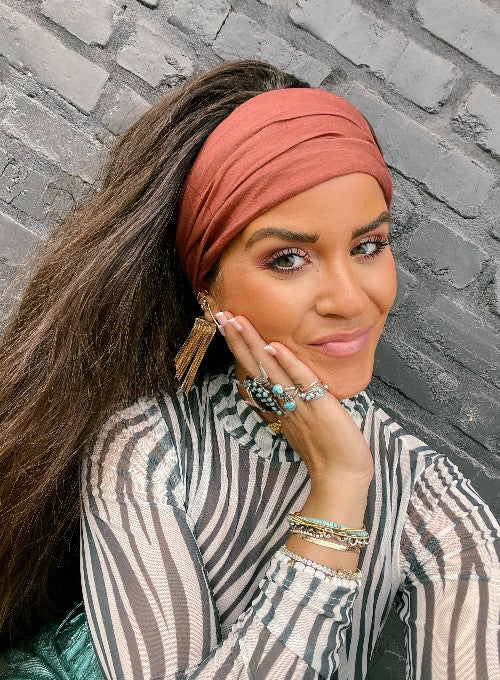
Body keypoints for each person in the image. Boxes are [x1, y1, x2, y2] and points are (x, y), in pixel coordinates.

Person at [0, 59, 497, 680]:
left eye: (368, 246)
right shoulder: (148, 446)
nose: (351, 299)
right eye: (288, 259)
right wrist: (339, 487)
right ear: (208, 290)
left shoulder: (427, 495)